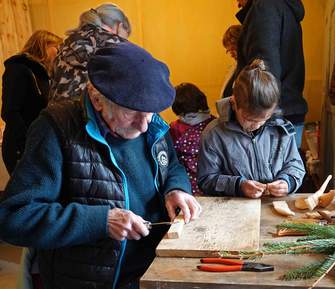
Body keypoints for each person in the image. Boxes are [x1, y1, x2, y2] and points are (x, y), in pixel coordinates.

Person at [0, 42, 201, 289]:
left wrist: (176, 188)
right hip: (94, 280)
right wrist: (101, 221)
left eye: (150, 113)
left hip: (157, 273)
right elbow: (13, 218)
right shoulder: (56, 129)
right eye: (132, 114)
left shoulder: (150, 120)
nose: (144, 126)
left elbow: (172, 166)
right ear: (97, 100)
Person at [197, 59, 305, 198]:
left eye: (264, 120)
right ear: (234, 103)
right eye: (249, 119)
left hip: (275, 204)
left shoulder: (281, 128)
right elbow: (206, 179)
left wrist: (287, 182)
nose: (256, 125)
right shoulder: (214, 134)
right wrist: (238, 185)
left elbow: (295, 165)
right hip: (235, 209)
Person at [229, 0, 308, 148]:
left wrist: (250, 118)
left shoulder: (264, 7)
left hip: (269, 119)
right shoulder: (279, 6)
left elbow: (264, 72)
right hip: (282, 112)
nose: (236, 2)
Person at [1, 30, 63, 175]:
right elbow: (10, 112)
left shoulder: (42, 74)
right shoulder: (18, 70)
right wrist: (27, 142)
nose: (59, 53)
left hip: (37, 143)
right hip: (22, 146)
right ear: (43, 46)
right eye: (56, 48)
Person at [49, 3, 130, 101]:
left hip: (56, 113)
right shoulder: (114, 44)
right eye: (125, 36)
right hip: (88, 113)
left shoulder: (66, 43)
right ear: (119, 26)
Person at [170, 83, 215, 196]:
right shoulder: (174, 128)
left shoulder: (214, 125)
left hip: (210, 181)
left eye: (192, 116)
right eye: (181, 116)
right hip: (186, 185)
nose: (186, 120)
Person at [220, 24, 241, 98]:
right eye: (229, 51)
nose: (231, 55)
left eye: (233, 49)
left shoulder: (251, 69)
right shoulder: (232, 69)